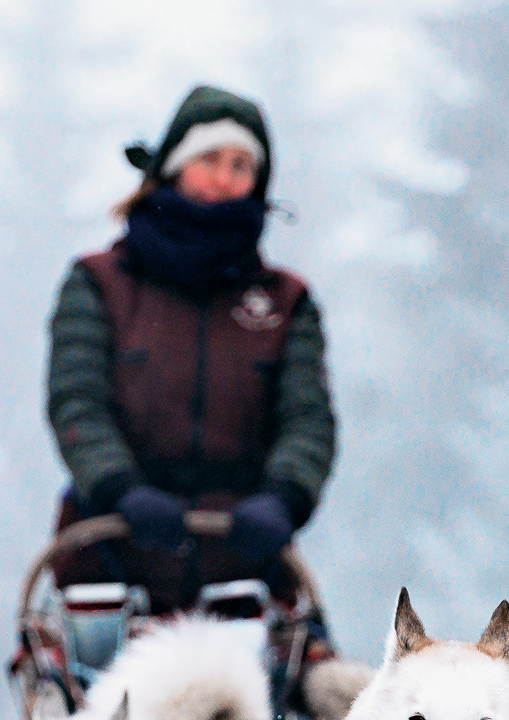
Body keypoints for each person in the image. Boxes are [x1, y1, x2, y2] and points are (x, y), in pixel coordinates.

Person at [45, 85, 336, 613]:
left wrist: (282, 499)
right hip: (106, 563)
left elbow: (308, 420)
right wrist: (120, 489)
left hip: (248, 572)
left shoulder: (285, 303)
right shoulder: (98, 284)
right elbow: (76, 402)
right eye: (210, 159)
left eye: (241, 166)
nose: (224, 179)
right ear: (175, 166)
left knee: (328, 672)